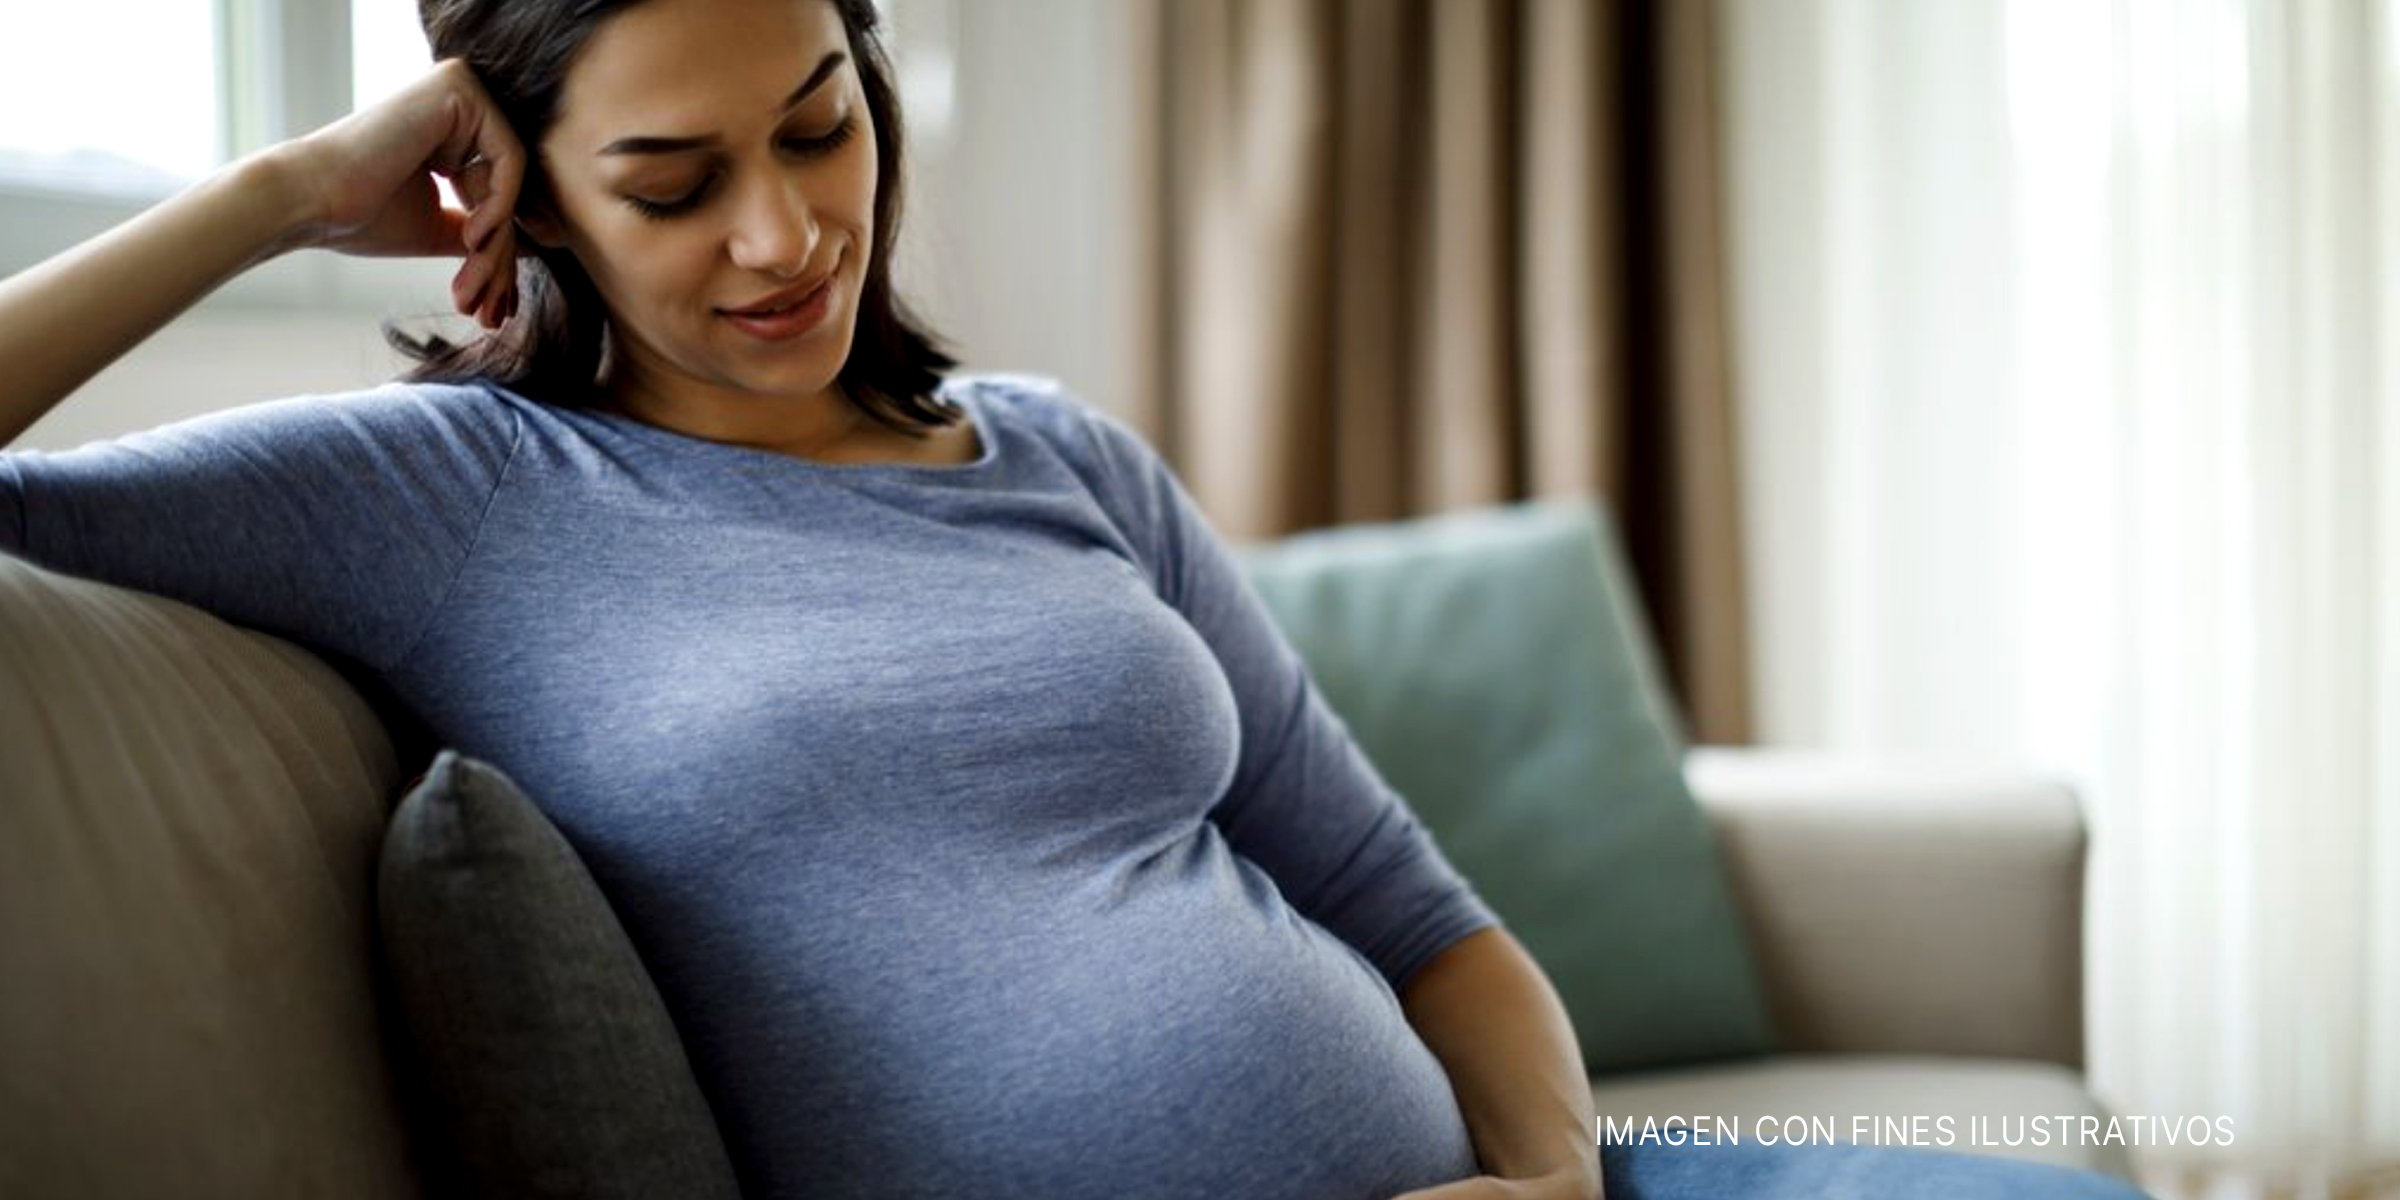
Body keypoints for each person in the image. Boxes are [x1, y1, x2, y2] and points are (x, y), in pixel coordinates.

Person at [0, 3, 2154, 1199]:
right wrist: (278, 193)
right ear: (522, 200)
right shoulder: (450, 495)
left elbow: (1414, 910)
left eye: (820, 132)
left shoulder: (1055, 454)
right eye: (672, 184)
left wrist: (1557, 1185)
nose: (783, 239)